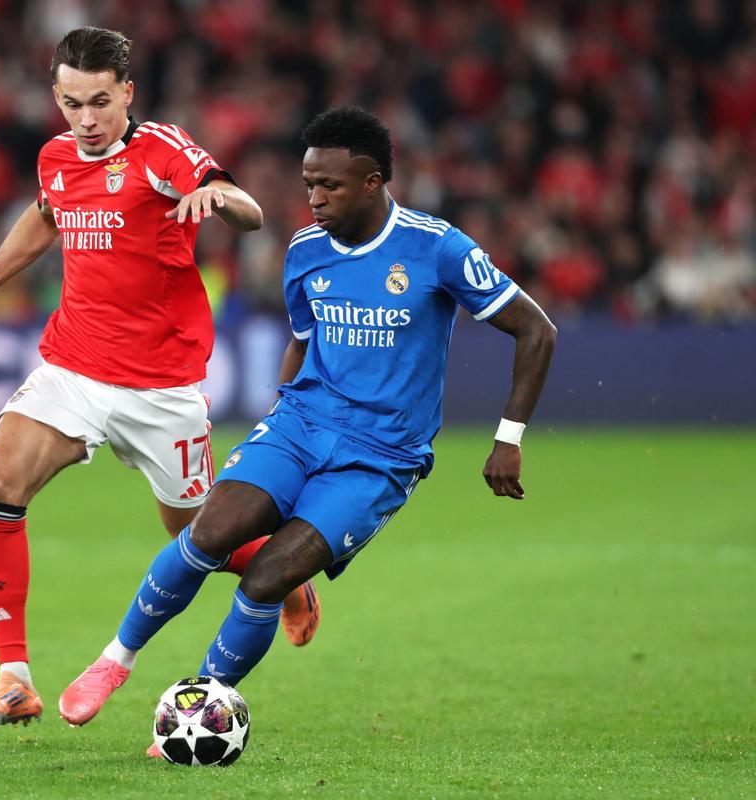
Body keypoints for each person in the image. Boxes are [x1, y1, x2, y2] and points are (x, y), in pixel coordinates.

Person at [60, 106, 558, 749]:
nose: (315, 199)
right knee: (209, 530)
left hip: (380, 456)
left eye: (331, 186)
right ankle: (114, 661)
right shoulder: (306, 251)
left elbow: (535, 329)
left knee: (269, 574)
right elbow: (303, 340)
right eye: (309, 185)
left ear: (374, 181)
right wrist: (278, 413)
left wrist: (508, 437)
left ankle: (199, 707)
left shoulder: (437, 248)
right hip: (301, 424)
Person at [0, 27, 322, 732]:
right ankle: (13, 678)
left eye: (100, 102)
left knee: (199, 540)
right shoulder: (55, 158)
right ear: (57, 96)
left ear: (127, 93)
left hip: (160, 387)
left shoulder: (162, 149)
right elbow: (46, 218)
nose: (86, 118)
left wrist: (217, 200)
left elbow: (248, 208)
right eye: (72, 102)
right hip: (74, 365)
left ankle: (282, 575)